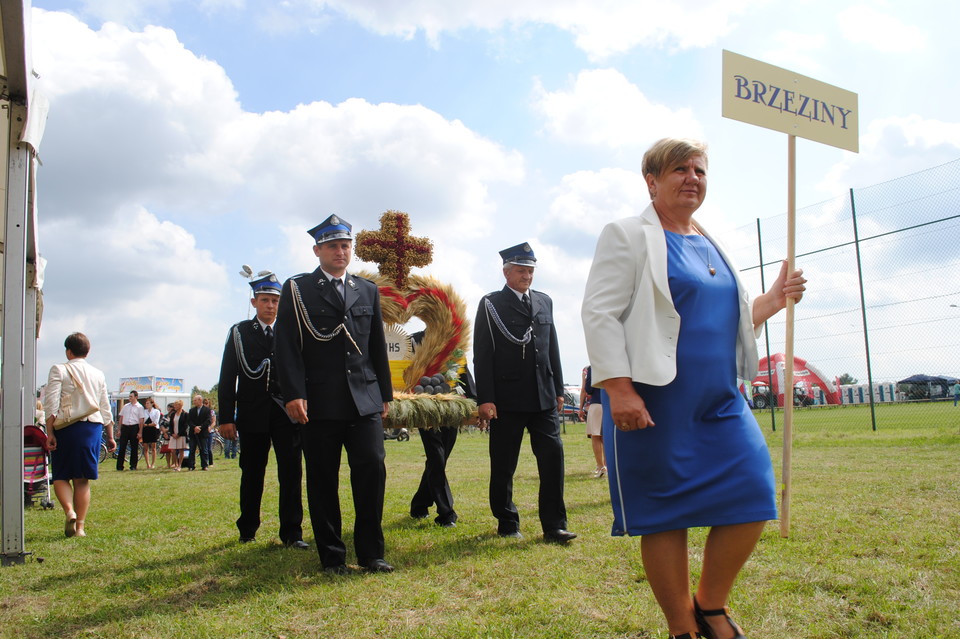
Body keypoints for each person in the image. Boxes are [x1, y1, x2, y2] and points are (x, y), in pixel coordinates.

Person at [581, 138, 807, 639]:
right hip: (653, 400)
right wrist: (618, 388)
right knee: (666, 515)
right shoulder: (627, 234)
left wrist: (770, 302)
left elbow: (722, 323)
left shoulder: (712, 241)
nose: (692, 178)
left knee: (754, 492)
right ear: (652, 181)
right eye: (679, 169)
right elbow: (599, 314)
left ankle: (709, 604)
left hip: (721, 398)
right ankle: (682, 626)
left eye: (699, 170)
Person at [275, 214, 394, 574]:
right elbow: (287, 347)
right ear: (317, 250)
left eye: (345, 245)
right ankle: (333, 556)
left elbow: (376, 346)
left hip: (364, 399)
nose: (340, 252)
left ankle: (372, 552)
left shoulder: (367, 289)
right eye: (332, 246)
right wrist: (293, 393)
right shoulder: (297, 289)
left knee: (372, 471)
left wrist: (384, 394)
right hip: (319, 401)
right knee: (323, 478)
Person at [473, 242, 576, 543]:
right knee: (504, 463)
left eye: (530, 270)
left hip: (542, 396)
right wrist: (486, 398)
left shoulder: (545, 301)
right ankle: (507, 520)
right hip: (507, 398)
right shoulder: (491, 303)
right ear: (506, 272)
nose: (527, 276)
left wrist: (558, 388)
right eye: (521, 270)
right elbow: (483, 352)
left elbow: (551, 347)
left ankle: (554, 525)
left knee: (553, 459)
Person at [219, 272, 308, 548]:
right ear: (254, 301)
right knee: (252, 472)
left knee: (291, 473)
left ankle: (292, 533)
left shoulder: (291, 330)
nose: (270, 305)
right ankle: (247, 528)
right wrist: (225, 418)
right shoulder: (240, 332)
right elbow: (227, 376)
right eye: (265, 300)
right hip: (252, 413)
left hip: (285, 413)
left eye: (275, 300)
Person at [42, 332, 116, 537]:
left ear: (68, 350)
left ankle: (69, 511)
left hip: (67, 428)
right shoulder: (98, 374)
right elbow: (104, 407)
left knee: (61, 475)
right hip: (92, 428)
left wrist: (49, 432)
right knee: (82, 480)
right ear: (88, 351)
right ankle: (80, 527)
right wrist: (110, 436)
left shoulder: (59, 369)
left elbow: (51, 404)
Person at [408, 330, 476, 528]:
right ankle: (446, 513)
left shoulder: (454, 341)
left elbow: (463, 371)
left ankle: (419, 504)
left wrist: (476, 401)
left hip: (451, 409)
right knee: (436, 456)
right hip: (424, 408)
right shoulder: (413, 341)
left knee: (440, 458)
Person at [578, 365, 605, 478]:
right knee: (606, 437)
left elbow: (586, 390)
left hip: (596, 404)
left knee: (596, 436)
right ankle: (609, 466)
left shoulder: (589, 368)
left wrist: (580, 408)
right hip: (609, 404)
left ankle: (600, 466)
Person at [115, 390, 144, 471]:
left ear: (136, 397)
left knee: (134, 447)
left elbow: (141, 420)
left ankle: (133, 465)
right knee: (122, 447)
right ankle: (120, 466)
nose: (130, 398)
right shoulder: (126, 406)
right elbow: (121, 418)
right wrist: (119, 430)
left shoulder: (140, 407)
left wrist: (140, 432)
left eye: (131, 396)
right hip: (125, 427)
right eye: (129, 396)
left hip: (134, 427)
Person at [187, 395, 213, 470]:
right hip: (193, 433)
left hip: (203, 433)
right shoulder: (191, 410)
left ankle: (204, 465)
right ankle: (191, 466)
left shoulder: (207, 410)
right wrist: (194, 427)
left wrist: (200, 427)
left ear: (200, 400)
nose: (194, 402)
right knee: (192, 450)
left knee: (204, 449)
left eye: (195, 400)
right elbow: (189, 421)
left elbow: (208, 420)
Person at [166, 400, 189, 471]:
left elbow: (185, 425)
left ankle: (179, 465)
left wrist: (179, 434)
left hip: (181, 435)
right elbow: (170, 425)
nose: (174, 406)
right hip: (173, 434)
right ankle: (175, 464)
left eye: (176, 405)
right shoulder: (173, 414)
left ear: (180, 406)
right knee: (173, 450)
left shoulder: (185, 414)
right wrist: (172, 433)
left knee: (181, 450)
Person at [141, 397, 162, 469]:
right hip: (145, 430)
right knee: (145, 447)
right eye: (146, 403)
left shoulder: (156, 411)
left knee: (153, 447)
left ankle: (153, 463)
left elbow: (155, 422)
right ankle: (147, 464)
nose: (146, 405)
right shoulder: (144, 411)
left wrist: (147, 425)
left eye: (148, 403)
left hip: (153, 430)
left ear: (152, 404)